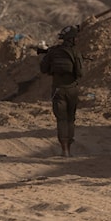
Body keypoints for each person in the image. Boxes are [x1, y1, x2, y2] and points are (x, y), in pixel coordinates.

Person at [39, 24, 83, 157]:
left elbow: (43, 69)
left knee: (61, 120)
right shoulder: (75, 52)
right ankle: (69, 144)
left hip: (58, 90)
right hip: (72, 90)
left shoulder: (53, 51)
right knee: (70, 119)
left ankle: (65, 150)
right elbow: (81, 72)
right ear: (72, 39)